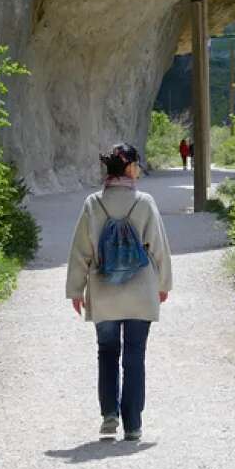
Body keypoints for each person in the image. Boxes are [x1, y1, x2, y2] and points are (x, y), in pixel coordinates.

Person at [65, 143, 173, 441]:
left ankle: (109, 413)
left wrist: (76, 290)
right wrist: (163, 285)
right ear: (129, 168)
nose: (138, 168)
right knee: (135, 355)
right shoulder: (145, 202)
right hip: (140, 291)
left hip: (103, 292)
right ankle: (134, 424)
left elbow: (80, 252)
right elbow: (159, 248)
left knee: (107, 352)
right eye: (136, 163)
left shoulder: (92, 204)